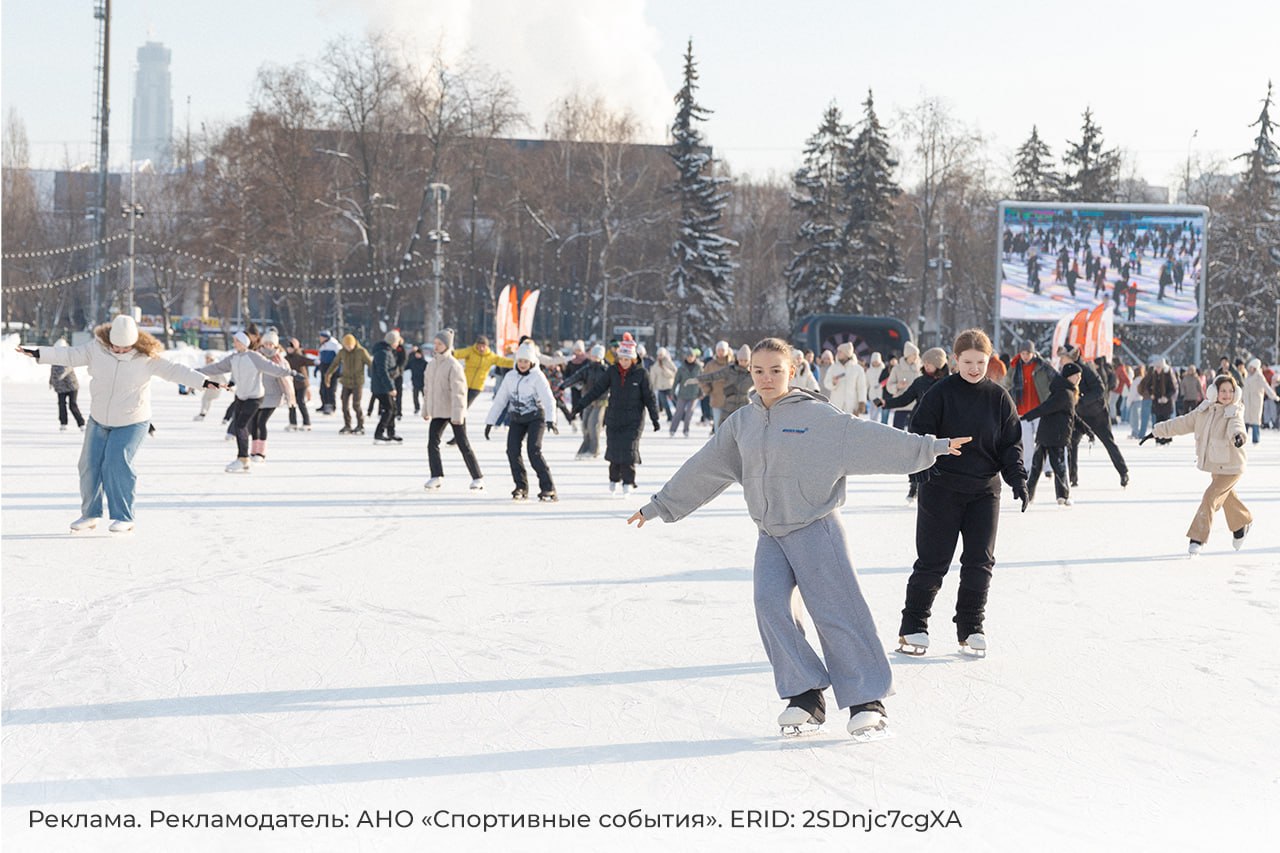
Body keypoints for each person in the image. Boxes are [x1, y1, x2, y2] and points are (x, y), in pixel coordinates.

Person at [626, 337, 972, 738]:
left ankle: (867, 700)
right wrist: (660, 505)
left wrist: (933, 447)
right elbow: (704, 467)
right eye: (759, 370)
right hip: (770, 533)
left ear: (792, 370)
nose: (767, 378)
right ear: (750, 372)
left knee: (836, 611)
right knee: (769, 605)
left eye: (776, 370)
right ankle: (806, 696)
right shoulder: (743, 422)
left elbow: (872, 439)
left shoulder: (819, 417)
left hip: (815, 526)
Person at [18, 315, 222, 532]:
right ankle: (90, 514)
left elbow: (175, 370)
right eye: (116, 346)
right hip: (99, 419)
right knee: (88, 464)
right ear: (110, 340)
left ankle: (125, 516)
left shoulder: (147, 357)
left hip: (133, 421)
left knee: (116, 461)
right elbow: (69, 354)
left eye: (126, 347)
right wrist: (40, 352)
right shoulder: (96, 348)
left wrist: (203, 381)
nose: (120, 350)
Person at [897, 329, 1027, 657]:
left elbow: (1010, 444)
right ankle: (914, 625)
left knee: (979, 562)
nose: (974, 368)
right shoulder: (940, 394)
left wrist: (1017, 479)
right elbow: (919, 436)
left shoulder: (998, 398)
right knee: (933, 561)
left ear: (989, 360)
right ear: (956, 360)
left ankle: (970, 626)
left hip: (984, 492)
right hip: (941, 488)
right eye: (967, 362)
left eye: (980, 362)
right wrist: (926, 468)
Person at [1145, 375, 1252, 555]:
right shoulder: (1205, 410)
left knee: (1210, 496)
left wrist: (1239, 437)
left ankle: (1197, 538)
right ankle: (1242, 522)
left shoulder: (1233, 411)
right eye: (1223, 390)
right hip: (1217, 465)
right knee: (1226, 497)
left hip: (1232, 467)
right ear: (1214, 392)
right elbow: (1182, 423)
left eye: (1230, 391)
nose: (1227, 394)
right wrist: (1157, 431)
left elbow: (1237, 426)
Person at [200, 330, 300, 472]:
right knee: (245, 426)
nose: (234, 343)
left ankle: (247, 457)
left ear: (243, 342)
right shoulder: (234, 358)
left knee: (245, 425)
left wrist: (291, 373)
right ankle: (247, 457)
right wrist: (196, 371)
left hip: (257, 396)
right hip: (241, 396)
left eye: (236, 341)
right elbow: (217, 368)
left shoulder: (255, 357)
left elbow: (274, 369)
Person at [572, 333, 659, 495]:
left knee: (629, 452)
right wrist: (580, 405)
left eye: (627, 359)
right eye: (622, 359)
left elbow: (649, 398)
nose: (624, 362)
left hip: (633, 420)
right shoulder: (612, 371)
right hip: (614, 418)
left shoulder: (641, 374)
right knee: (613, 451)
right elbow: (597, 389)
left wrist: (655, 418)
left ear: (633, 359)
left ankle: (628, 482)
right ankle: (613, 479)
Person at [486, 339, 558, 501]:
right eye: (520, 361)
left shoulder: (537, 377)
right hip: (517, 418)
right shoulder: (510, 377)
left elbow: (548, 399)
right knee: (512, 450)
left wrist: (550, 419)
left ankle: (548, 488)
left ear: (532, 362)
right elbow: (500, 400)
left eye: (526, 361)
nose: (522, 364)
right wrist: (490, 421)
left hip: (535, 417)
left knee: (534, 450)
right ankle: (521, 486)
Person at [422, 328, 484, 491]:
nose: (436, 346)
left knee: (463, 444)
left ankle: (477, 477)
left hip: (453, 411)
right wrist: (426, 410)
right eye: (435, 343)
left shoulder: (453, 365)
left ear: (447, 346)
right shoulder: (431, 365)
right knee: (432, 443)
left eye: (440, 344)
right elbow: (427, 389)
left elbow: (459, 392)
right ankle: (436, 476)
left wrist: (458, 414)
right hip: (438, 412)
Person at [1059, 345, 1129, 488]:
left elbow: (1100, 389)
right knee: (1072, 443)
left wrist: (1082, 400)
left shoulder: (1086, 369)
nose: (1061, 360)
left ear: (1070, 357)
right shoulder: (1065, 372)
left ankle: (1123, 472)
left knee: (1108, 442)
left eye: (1063, 357)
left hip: (1097, 415)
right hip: (1079, 415)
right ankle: (1073, 478)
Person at [1021, 361, 1090, 506]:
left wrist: (1086, 429)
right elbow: (1046, 408)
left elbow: (1071, 415)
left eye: (1079, 376)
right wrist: (1027, 416)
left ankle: (1028, 494)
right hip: (1057, 437)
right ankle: (1063, 496)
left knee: (1036, 467)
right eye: (1076, 376)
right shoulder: (1065, 393)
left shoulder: (1062, 390)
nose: (1078, 378)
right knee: (1060, 467)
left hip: (1045, 435)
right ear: (1068, 377)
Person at [246, 330, 298, 462]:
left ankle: (261, 453)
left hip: (273, 396)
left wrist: (289, 396)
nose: (268, 346)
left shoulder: (280, 360)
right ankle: (254, 450)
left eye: (271, 344)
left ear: (275, 346)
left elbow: (286, 379)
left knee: (261, 422)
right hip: (257, 394)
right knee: (252, 423)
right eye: (266, 343)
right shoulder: (256, 357)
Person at [1006, 340, 1054, 464]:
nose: (1025, 356)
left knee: (1043, 439)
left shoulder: (1042, 366)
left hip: (1040, 408)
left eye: (1027, 353)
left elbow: (1054, 380)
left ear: (1033, 353)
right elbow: (1006, 383)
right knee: (1026, 442)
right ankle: (1028, 466)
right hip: (1022, 410)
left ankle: (1047, 466)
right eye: (1022, 353)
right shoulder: (1015, 366)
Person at [560, 345, 610, 457]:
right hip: (587, 400)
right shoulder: (588, 368)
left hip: (601, 401)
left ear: (601, 357)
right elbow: (575, 377)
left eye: (597, 356)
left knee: (593, 425)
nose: (594, 358)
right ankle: (585, 448)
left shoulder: (606, 370)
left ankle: (593, 450)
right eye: (593, 356)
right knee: (585, 425)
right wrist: (563, 385)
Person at [324, 334, 372, 435]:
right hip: (346, 382)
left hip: (357, 382)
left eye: (350, 345)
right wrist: (328, 374)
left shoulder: (361, 351)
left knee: (356, 405)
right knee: (344, 405)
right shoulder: (342, 352)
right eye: (346, 346)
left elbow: (370, 363)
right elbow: (335, 363)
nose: (348, 348)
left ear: (354, 344)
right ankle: (347, 425)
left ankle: (360, 425)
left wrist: (375, 375)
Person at [370, 330, 403, 444]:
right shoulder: (383, 353)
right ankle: (379, 433)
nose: (399, 343)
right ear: (393, 342)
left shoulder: (387, 351)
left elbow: (388, 369)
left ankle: (391, 432)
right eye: (397, 341)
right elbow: (382, 371)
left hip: (383, 386)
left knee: (392, 409)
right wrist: (390, 388)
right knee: (389, 409)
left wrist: (394, 371)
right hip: (382, 388)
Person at [48, 340, 86, 431]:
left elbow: (66, 370)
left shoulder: (68, 358)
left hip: (71, 386)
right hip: (60, 387)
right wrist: (51, 381)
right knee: (61, 404)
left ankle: (81, 424)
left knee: (72, 405)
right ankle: (63, 423)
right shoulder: (54, 359)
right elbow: (52, 372)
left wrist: (58, 377)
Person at [823, 342, 868, 417]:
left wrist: (862, 402)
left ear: (846, 353)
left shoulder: (857, 369)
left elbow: (862, 387)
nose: (838, 353)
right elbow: (826, 383)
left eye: (840, 351)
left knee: (851, 428)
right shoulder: (833, 368)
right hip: (836, 405)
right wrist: (833, 383)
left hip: (852, 406)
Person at [1140, 358, 1177, 444]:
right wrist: (1151, 394)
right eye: (1156, 367)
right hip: (1157, 402)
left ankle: (1166, 439)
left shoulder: (1168, 375)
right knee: (1158, 422)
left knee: (1166, 422)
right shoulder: (1154, 375)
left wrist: (1166, 397)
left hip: (1166, 403)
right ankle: (1159, 439)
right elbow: (1148, 385)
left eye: (1159, 367)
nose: (1157, 369)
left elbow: (1173, 389)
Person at [884, 341, 922, 428]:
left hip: (915, 407)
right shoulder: (897, 369)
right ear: (908, 355)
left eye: (917, 354)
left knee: (914, 434)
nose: (916, 357)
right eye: (914, 354)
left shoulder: (919, 369)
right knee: (898, 434)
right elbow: (889, 387)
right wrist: (897, 386)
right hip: (901, 407)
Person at [668, 347, 704, 438]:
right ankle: (672, 430)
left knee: (689, 413)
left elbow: (702, 380)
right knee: (678, 412)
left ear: (695, 357)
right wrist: (672, 392)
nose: (690, 358)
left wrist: (702, 392)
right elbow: (676, 381)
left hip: (694, 394)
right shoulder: (681, 368)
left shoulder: (699, 367)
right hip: (683, 394)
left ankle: (686, 430)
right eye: (688, 356)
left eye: (692, 356)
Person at [1241, 358, 1278, 444]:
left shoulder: (1259, 377)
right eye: (1249, 367)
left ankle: (1255, 440)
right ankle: (1243, 439)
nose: (1250, 369)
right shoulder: (1247, 377)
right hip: (1247, 402)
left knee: (1255, 421)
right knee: (1245, 420)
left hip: (1256, 402)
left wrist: (1274, 396)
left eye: (1252, 367)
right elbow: (1244, 389)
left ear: (1255, 368)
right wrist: (1240, 398)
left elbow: (1267, 387)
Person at [283, 338, 313, 431]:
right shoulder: (286, 359)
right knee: (291, 403)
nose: (289, 349)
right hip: (291, 384)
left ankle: (307, 423)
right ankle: (293, 423)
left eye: (291, 347)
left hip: (301, 384)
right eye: (288, 347)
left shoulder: (299, 357)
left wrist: (317, 362)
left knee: (301, 402)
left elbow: (309, 361)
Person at [650, 346, 678, 421]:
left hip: (669, 386)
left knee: (674, 401)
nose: (660, 357)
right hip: (661, 387)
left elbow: (674, 373)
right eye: (658, 355)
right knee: (665, 404)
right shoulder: (655, 365)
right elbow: (653, 376)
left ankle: (681, 415)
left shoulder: (669, 362)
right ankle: (669, 417)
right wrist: (652, 386)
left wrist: (665, 370)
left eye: (661, 355)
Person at [316, 330, 340, 414]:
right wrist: (317, 368)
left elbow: (340, 358)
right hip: (324, 369)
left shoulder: (334, 345)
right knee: (323, 389)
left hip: (332, 370)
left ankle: (331, 406)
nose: (320, 339)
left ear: (325, 337)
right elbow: (320, 359)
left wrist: (339, 370)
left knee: (331, 389)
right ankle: (324, 404)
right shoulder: (322, 346)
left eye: (321, 337)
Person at [406, 345, 428, 415]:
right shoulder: (412, 362)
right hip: (415, 382)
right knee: (415, 396)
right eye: (416, 354)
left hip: (423, 382)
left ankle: (426, 408)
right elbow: (405, 367)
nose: (417, 355)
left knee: (425, 397)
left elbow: (429, 372)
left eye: (419, 354)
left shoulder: (424, 363)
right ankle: (417, 408)